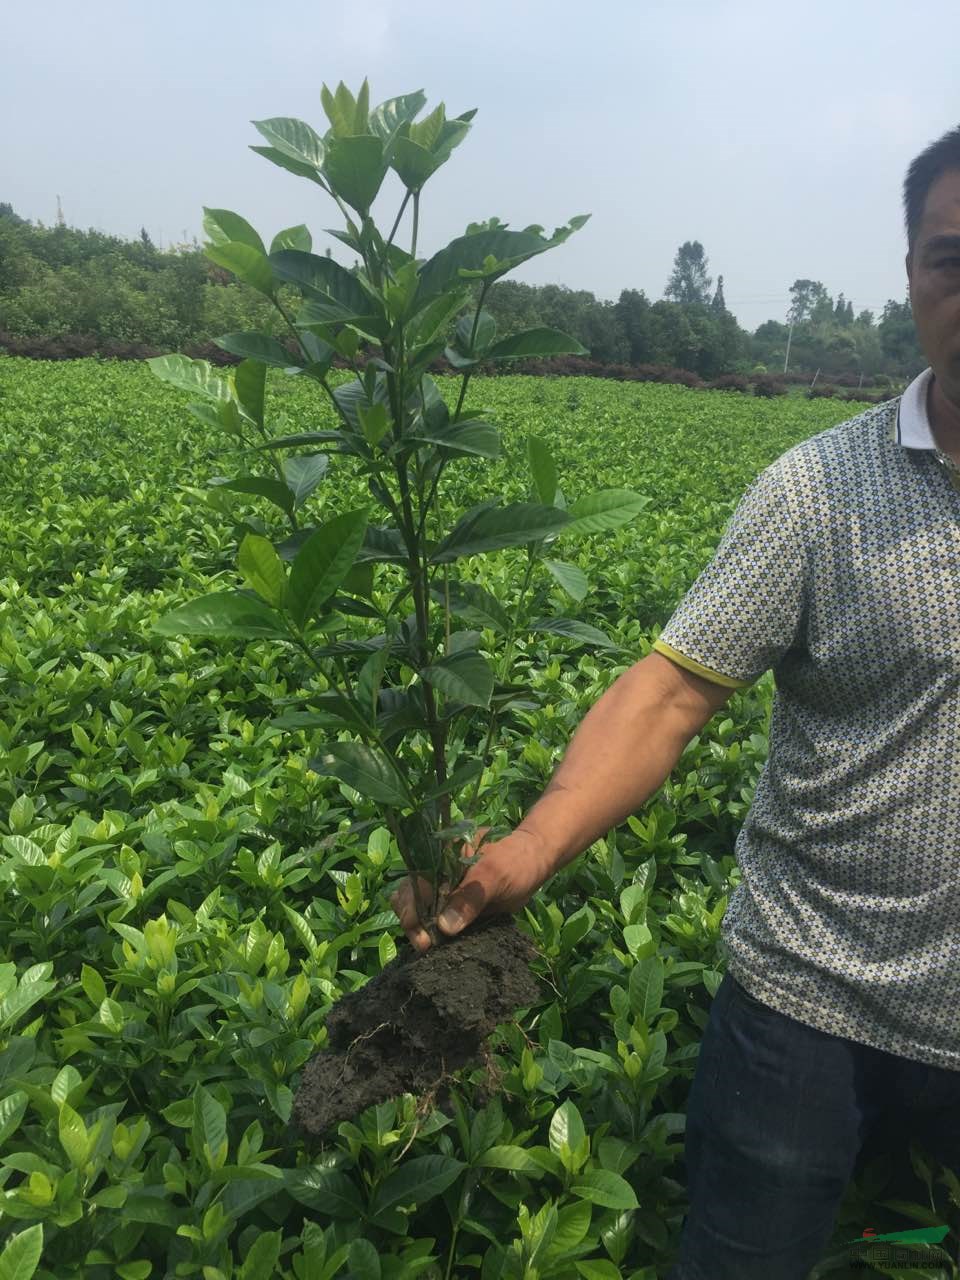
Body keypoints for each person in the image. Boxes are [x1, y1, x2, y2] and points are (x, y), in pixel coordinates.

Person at [391, 124, 960, 1279]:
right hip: (808, 999)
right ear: (909, 277)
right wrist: (526, 851)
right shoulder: (820, 487)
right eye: (954, 257)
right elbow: (671, 689)